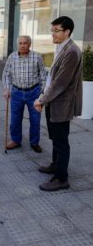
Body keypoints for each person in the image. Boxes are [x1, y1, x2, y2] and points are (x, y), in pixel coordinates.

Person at [34, 16, 82, 192]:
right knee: (55, 137)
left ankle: (61, 178)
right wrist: (44, 97)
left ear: (67, 32)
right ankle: (55, 165)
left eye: (56, 30)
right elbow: (51, 78)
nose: (52, 34)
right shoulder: (62, 47)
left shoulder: (72, 52)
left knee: (61, 141)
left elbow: (60, 83)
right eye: (52, 30)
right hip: (52, 102)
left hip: (61, 104)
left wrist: (41, 100)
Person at [2, 35, 47, 153]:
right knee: (15, 119)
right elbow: (6, 74)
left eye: (25, 43)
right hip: (16, 92)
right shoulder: (12, 57)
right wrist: (7, 89)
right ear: (18, 44)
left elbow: (43, 76)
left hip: (34, 92)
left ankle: (34, 142)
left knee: (35, 119)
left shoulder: (37, 57)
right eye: (20, 43)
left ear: (29, 44)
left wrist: (42, 93)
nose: (22, 45)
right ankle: (16, 140)